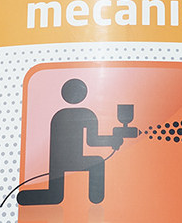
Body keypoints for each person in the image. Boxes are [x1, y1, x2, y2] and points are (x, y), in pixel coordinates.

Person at [17, 78, 123, 206]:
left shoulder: (58, 115)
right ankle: (96, 198)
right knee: (98, 162)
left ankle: (23, 198)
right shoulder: (86, 114)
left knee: (56, 196)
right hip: (76, 160)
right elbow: (92, 141)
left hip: (56, 163)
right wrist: (113, 140)